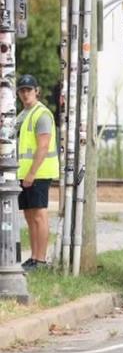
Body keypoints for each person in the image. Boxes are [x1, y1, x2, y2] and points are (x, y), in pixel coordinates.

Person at [16, 74, 59, 271]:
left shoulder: (42, 114)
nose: (25, 94)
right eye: (22, 90)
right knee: (29, 216)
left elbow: (42, 147)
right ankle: (33, 258)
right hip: (24, 174)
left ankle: (40, 260)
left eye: (29, 90)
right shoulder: (23, 114)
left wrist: (32, 173)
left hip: (38, 173)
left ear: (37, 91)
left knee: (39, 215)